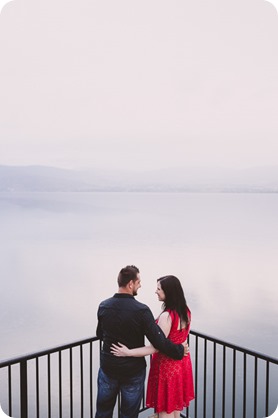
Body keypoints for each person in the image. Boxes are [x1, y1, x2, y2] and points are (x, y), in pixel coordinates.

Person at [95, 266, 188, 418]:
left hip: (108, 367)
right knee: (129, 414)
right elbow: (159, 342)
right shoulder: (141, 311)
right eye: (138, 282)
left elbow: (100, 334)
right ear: (131, 284)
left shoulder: (104, 306)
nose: (140, 285)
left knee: (103, 411)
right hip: (132, 371)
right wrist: (179, 350)